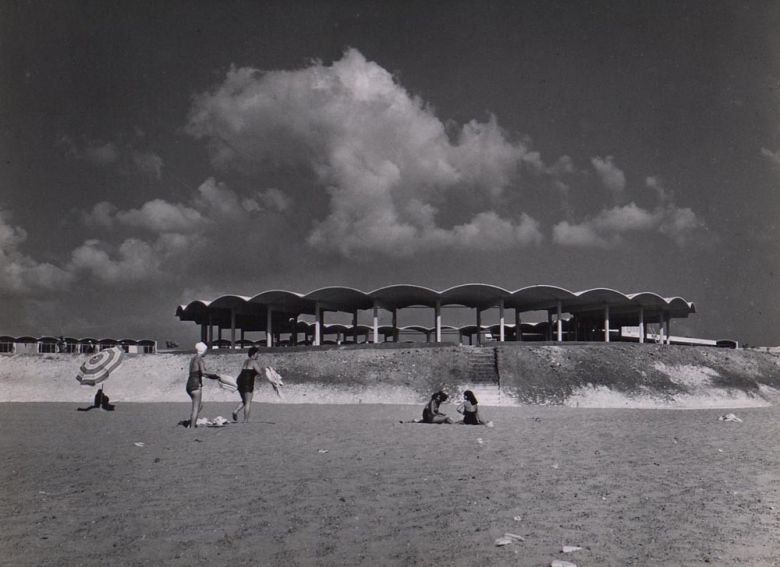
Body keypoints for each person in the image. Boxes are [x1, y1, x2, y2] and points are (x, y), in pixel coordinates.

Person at [185, 342, 216, 428]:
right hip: (196, 385)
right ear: (203, 350)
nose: (207, 352)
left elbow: (200, 373)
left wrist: (214, 377)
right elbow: (204, 372)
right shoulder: (200, 360)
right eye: (206, 350)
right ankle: (192, 427)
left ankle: (191, 422)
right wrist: (216, 374)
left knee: (199, 405)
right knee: (196, 407)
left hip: (189, 384)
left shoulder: (193, 359)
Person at [232, 347, 264, 422]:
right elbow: (260, 372)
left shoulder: (246, 361)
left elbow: (246, 371)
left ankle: (235, 411)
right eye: (257, 353)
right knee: (248, 402)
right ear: (254, 354)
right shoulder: (253, 362)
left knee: (245, 400)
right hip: (247, 382)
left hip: (240, 380)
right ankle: (245, 420)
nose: (258, 355)